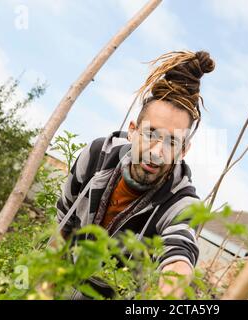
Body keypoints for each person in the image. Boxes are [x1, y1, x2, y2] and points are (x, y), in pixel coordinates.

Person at [56, 50, 215, 299]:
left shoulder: (181, 202)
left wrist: (171, 291)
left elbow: (179, 253)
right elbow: (63, 219)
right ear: (132, 131)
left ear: (183, 150)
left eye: (172, 142)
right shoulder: (97, 157)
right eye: (151, 134)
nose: (156, 152)